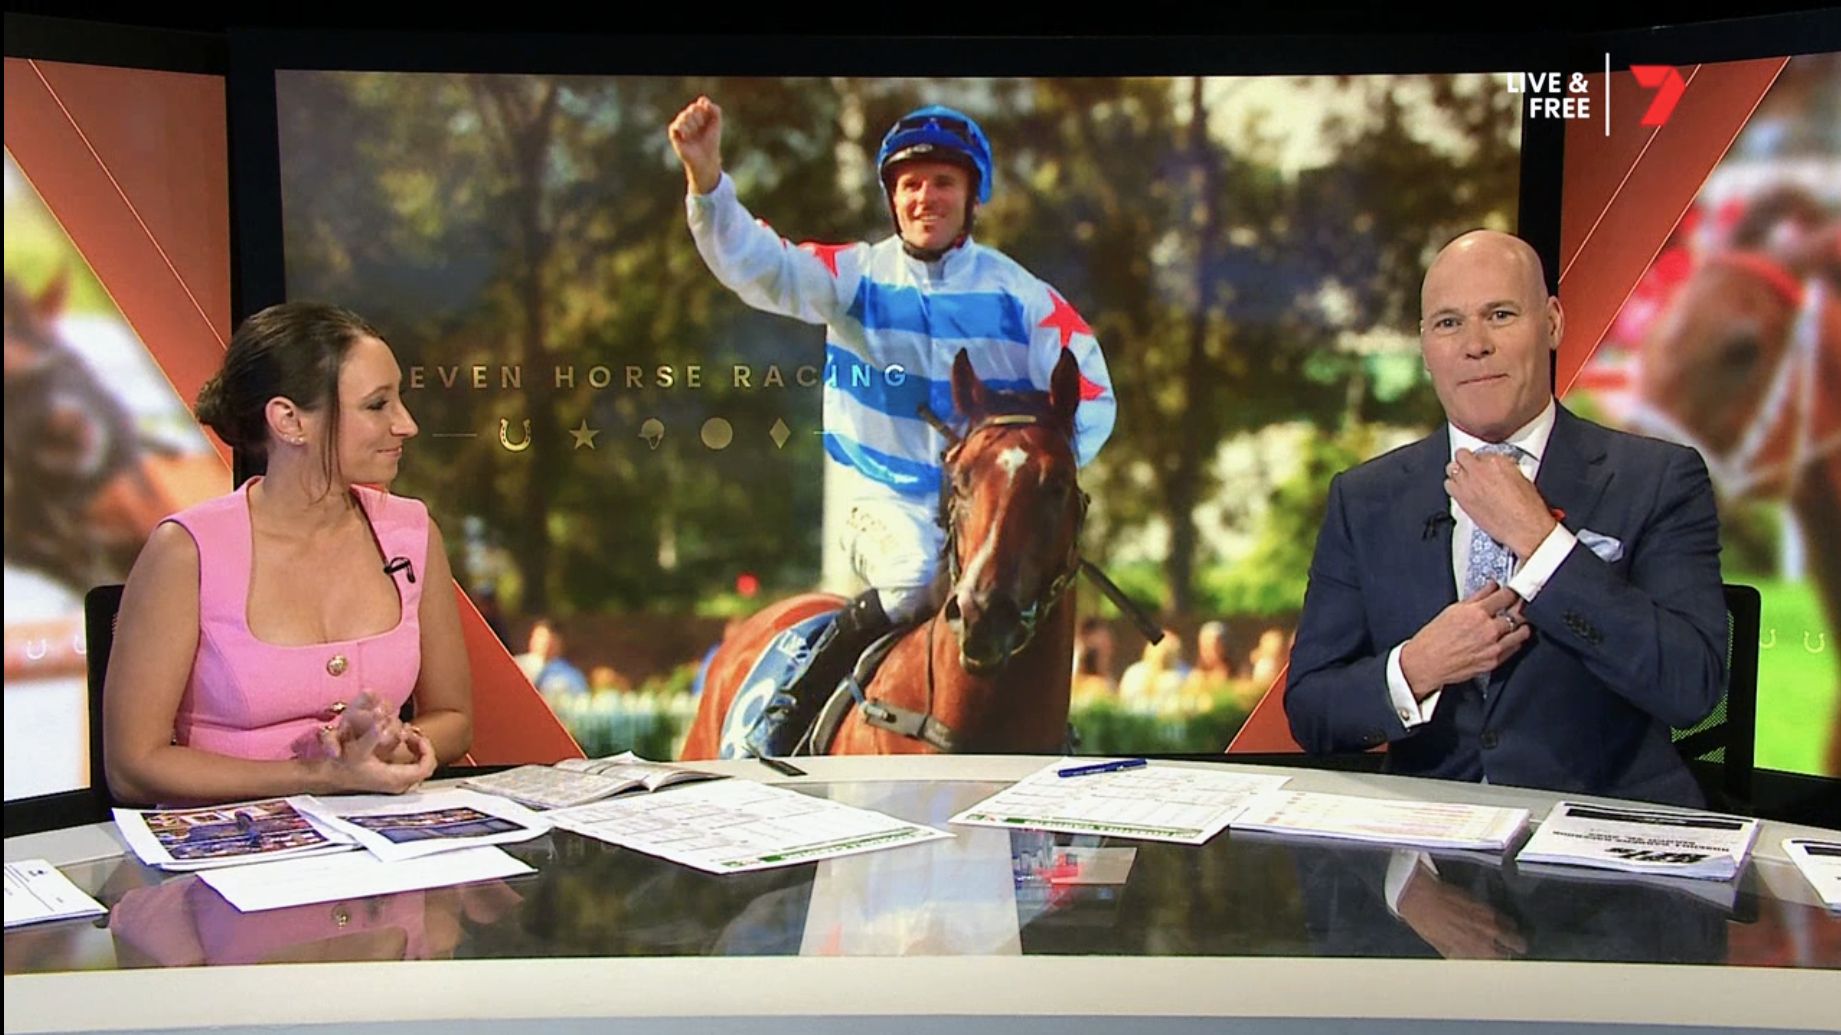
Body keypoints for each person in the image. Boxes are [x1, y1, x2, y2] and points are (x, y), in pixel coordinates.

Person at [669, 96, 1117, 753]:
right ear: (892, 198)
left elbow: (1093, 394)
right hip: (879, 495)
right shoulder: (853, 277)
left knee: (1015, 587)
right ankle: (790, 708)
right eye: (910, 185)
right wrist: (708, 182)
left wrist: (1035, 474)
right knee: (913, 581)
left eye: (943, 182)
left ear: (972, 197)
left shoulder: (1022, 296)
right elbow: (760, 264)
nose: (924, 197)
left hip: (981, 505)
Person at [1284, 230, 1726, 807]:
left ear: (1552, 323)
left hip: (1596, 835)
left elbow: (1693, 688)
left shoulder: (1657, 478)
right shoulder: (1365, 498)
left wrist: (1542, 543)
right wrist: (1416, 668)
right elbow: (1312, 710)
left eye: (1500, 315)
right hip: (1430, 835)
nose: (1475, 345)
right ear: (1425, 347)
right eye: (1449, 323)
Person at [103, 302, 472, 806]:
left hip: (376, 836)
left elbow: (454, 718)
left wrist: (389, 745)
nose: (406, 424)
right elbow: (133, 767)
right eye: (377, 405)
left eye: (399, 400)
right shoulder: (186, 551)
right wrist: (322, 776)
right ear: (289, 420)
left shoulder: (413, 533)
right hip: (232, 841)